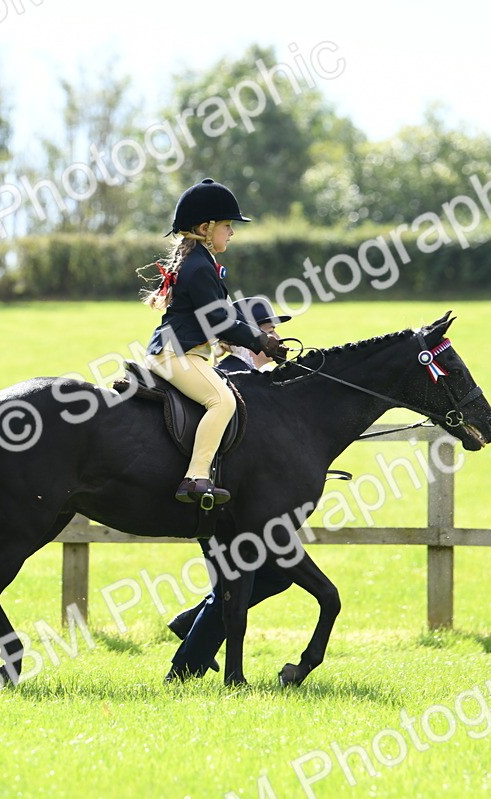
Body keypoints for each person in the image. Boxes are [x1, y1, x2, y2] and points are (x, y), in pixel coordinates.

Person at [166, 296, 295, 680]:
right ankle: (185, 667)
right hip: (221, 505)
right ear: (242, 338)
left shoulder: (253, 382)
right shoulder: (235, 381)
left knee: (270, 576)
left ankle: (191, 626)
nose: (277, 338)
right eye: (269, 330)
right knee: (240, 584)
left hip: (233, 502)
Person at [142, 179, 286, 506]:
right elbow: (219, 320)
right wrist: (263, 341)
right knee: (223, 401)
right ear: (206, 228)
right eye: (226, 225)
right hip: (175, 352)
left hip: (181, 351)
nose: (231, 232)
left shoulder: (199, 260)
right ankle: (195, 478)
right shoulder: (199, 265)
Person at [215, 296, 292, 373]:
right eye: (270, 332)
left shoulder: (265, 371)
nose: (278, 337)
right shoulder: (230, 374)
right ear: (246, 335)